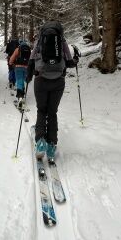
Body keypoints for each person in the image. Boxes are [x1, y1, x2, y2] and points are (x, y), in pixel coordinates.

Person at [26, 21, 78, 161]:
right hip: (58, 82)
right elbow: (69, 61)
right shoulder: (62, 40)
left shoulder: (40, 40)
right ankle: (52, 145)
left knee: (41, 110)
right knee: (52, 112)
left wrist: (28, 76)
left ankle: (41, 142)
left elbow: (31, 59)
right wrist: (75, 59)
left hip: (41, 80)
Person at [9, 40, 31, 108]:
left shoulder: (17, 49)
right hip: (26, 67)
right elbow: (31, 59)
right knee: (23, 80)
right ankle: (23, 94)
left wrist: (11, 63)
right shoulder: (29, 49)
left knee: (19, 81)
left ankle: (20, 97)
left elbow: (12, 58)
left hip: (18, 67)